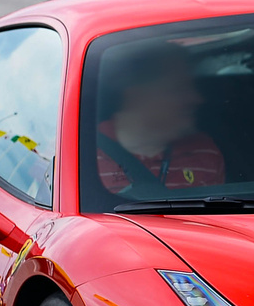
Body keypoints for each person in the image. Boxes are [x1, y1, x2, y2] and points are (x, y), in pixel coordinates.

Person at [96, 40, 224, 194]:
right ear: (137, 96)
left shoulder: (205, 152)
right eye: (178, 89)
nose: (196, 98)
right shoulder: (81, 154)